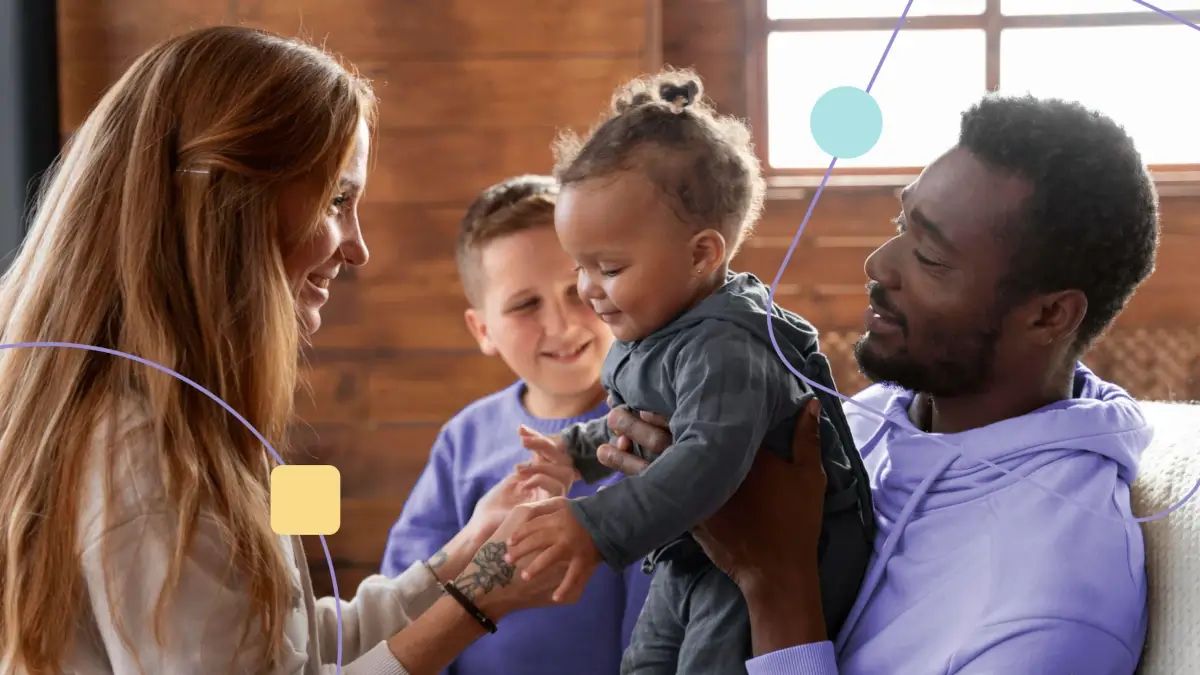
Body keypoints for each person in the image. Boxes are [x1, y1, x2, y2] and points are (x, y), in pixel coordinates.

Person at [0, 26, 588, 675]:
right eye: (339, 198)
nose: (358, 247)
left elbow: (286, 647)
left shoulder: (183, 415)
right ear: (227, 201)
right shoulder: (141, 448)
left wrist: (465, 556)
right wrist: (475, 600)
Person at [597, 92, 1161, 675]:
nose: (879, 264)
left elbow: (771, 574)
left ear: (1048, 316)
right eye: (902, 224)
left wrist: (775, 581)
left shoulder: (1056, 607)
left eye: (932, 258)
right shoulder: (878, 413)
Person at [507, 70, 875, 675]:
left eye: (610, 267)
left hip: (780, 556)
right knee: (645, 661)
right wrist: (576, 449)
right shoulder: (662, 326)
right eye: (581, 266)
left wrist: (597, 524)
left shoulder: (725, 345)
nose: (587, 290)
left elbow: (707, 458)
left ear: (703, 253)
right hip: (696, 551)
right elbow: (646, 420)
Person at [380, 174, 652, 675]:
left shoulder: (652, 428)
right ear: (483, 329)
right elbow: (404, 604)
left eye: (579, 290)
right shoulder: (465, 441)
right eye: (526, 304)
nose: (564, 324)